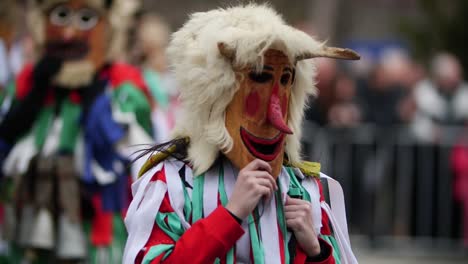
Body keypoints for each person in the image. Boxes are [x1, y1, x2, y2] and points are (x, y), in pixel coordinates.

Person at [124, 4, 359, 264]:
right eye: (259, 77)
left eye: (285, 79)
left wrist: (315, 250)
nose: (276, 115)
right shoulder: (173, 183)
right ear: (215, 92)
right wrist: (231, 214)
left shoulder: (303, 189)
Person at [0, 0, 152, 263]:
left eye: (85, 19)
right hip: (27, 226)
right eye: (60, 16)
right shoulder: (26, 81)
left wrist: (94, 93)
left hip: (94, 230)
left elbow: (123, 151)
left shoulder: (122, 85)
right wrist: (34, 95)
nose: (68, 34)